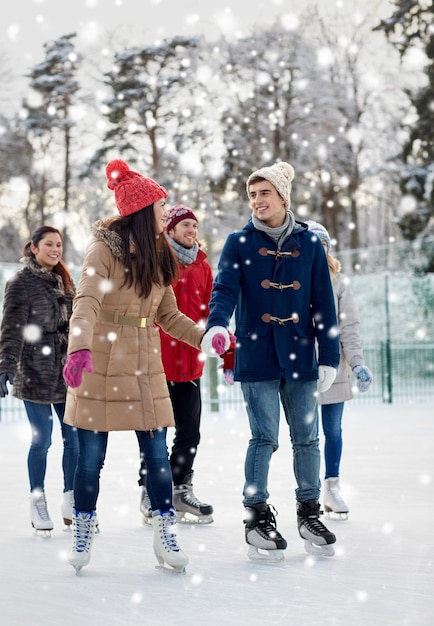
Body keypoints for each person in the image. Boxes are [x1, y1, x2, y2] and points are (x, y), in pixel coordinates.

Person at [62, 159, 227, 575]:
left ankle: (165, 530)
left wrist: (205, 337)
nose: (165, 212)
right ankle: (83, 525)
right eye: (159, 206)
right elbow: (86, 303)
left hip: (145, 363)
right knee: (90, 458)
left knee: (156, 455)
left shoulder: (159, 252)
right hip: (99, 360)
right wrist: (78, 349)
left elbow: (168, 315)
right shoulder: (103, 249)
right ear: (140, 210)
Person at [206, 161, 340, 561]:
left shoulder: (310, 245)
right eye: (252, 194)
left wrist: (329, 356)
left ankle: (309, 512)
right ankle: (257, 517)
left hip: (300, 354)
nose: (257, 200)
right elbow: (225, 289)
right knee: (264, 437)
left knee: (307, 439)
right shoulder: (239, 242)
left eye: (265, 193)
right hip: (257, 352)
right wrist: (217, 324)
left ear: (283, 197)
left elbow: (323, 306)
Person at [0, 225, 79, 535]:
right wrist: (5, 365)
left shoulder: (65, 281)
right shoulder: (21, 281)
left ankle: (71, 500)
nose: (55, 249)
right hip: (33, 368)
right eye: (48, 244)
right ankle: (37, 499)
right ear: (33, 247)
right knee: (42, 438)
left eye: (58, 244)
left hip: (65, 370)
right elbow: (12, 327)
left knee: (72, 438)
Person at [139, 204, 214, 524]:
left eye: (194, 226)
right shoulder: (155, 261)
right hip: (157, 362)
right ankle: (149, 490)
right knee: (154, 433)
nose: (191, 231)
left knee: (189, 432)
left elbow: (209, 310)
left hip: (190, 366)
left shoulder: (202, 266)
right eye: (184, 225)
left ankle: (181, 488)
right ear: (168, 230)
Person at [307, 220, 373, 519]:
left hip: (335, 365)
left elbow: (350, 327)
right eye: (312, 244)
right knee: (307, 434)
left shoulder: (339, 282)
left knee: (332, 429)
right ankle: (307, 492)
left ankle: (331, 486)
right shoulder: (295, 280)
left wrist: (358, 362)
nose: (318, 250)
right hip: (304, 368)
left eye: (322, 244)